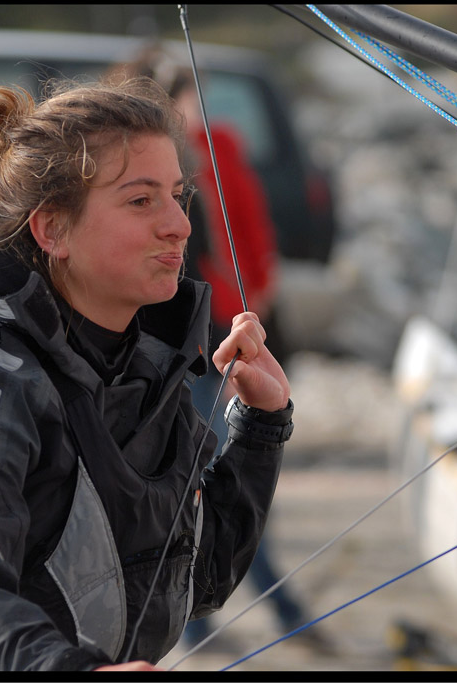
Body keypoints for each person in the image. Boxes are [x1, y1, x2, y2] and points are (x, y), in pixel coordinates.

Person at [0, 76, 294, 672]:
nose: (179, 225)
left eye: (179, 195)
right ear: (52, 229)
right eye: (142, 200)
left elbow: (192, 583)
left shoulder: (143, 368)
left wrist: (260, 428)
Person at [117, 56, 318, 653]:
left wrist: (255, 304)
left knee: (221, 465)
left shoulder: (214, 151)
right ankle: (247, 610)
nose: (184, 116)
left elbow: (253, 233)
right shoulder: (135, 165)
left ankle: (258, 606)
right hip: (182, 341)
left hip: (223, 333)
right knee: (198, 471)